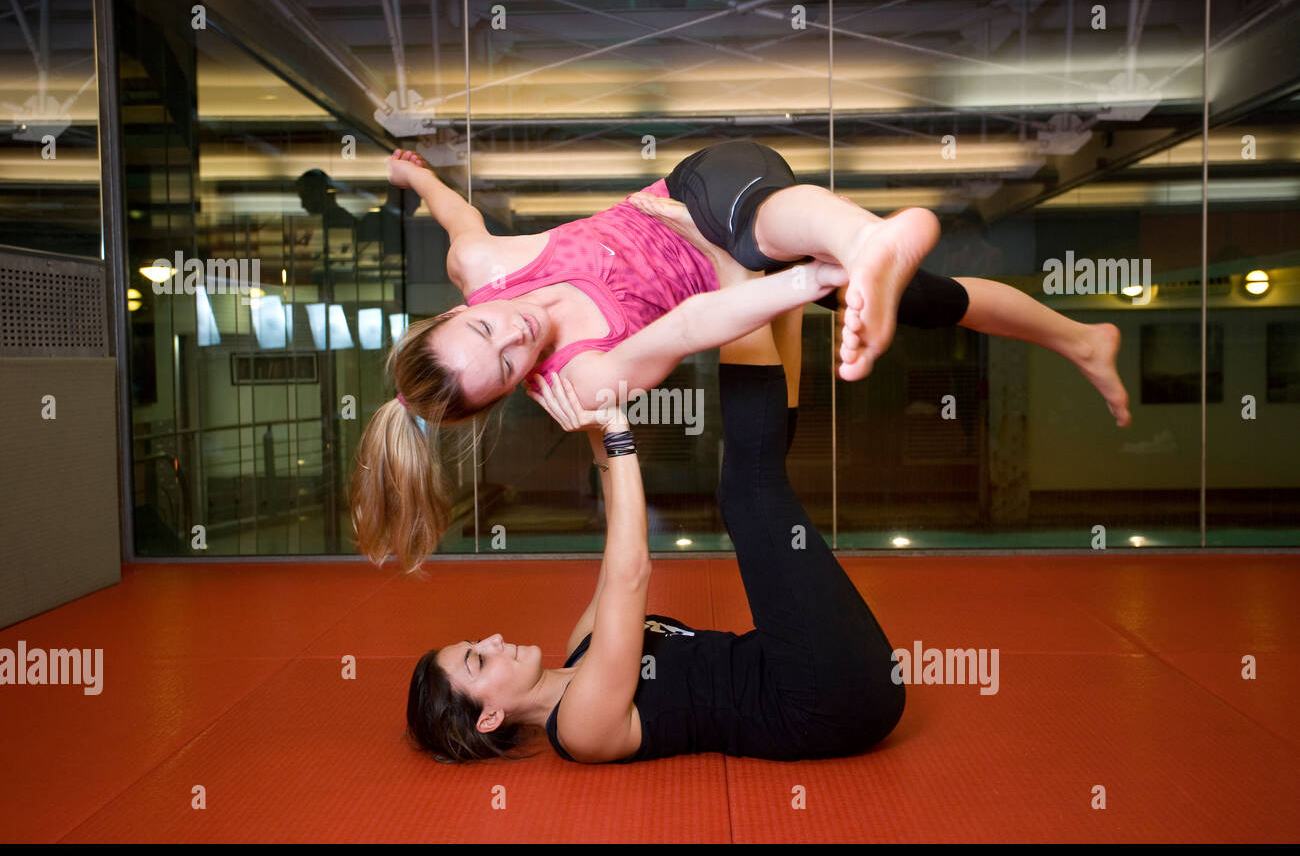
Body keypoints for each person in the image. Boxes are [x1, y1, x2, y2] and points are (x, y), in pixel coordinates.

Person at [352, 140, 1130, 572]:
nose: (516, 334)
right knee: (932, 301)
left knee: (752, 220)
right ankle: (1082, 339)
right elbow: (696, 324)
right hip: (729, 280)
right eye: (513, 365)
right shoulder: (587, 376)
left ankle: (867, 242)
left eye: (488, 330)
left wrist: (416, 174)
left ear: (460, 307)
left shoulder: (483, 267)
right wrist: (805, 282)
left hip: (695, 191)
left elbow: (457, 214)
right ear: (517, 390)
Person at [405, 326, 906, 764]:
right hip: (824, 702)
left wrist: (593, 423)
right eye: (478, 660)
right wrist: (617, 427)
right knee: (746, 494)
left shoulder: (583, 644)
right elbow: (631, 573)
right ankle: (742, 277)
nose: (492, 642)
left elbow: (614, 549)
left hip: (799, 661)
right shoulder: (579, 728)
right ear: (489, 717)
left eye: (476, 643)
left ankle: (783, 295)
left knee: (762, 473)